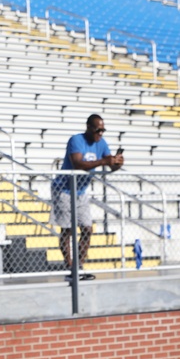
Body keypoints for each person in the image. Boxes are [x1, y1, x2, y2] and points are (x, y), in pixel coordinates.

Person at [50, 114, 123, 280]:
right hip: (64, 188)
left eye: (103, 130)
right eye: (98, 130)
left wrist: (117, 163)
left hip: (81, 191)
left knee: (87, 229)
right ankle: (69, 267)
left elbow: (109, 166)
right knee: (67, 230)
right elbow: (78, 164)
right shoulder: (76, 140)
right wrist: (104, 161)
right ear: (89, 127)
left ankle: (78, 267)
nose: (101, 133)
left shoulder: (101, 143)